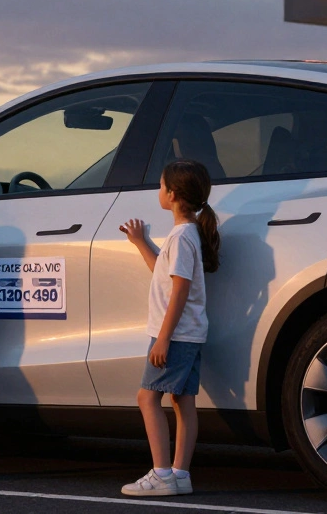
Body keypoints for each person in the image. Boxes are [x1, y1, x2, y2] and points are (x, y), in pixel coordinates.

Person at [117, 159, 220, 497]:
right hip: (189, 333)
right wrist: (140, 242)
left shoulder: (181, 238)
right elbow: (163, 272)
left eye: (161, 186)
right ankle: (180, 474)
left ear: (172, 194)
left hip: (174, 334)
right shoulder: (186, 235)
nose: (158, 191)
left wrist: (162, 338)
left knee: (147, 398)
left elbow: (179, 289)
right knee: (182, 401)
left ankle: (161, 473)